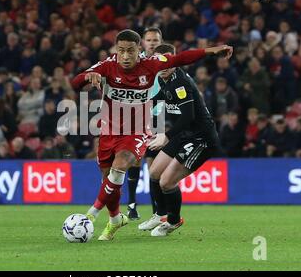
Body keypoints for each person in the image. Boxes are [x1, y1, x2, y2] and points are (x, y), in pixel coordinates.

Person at [70, 29, 232, 240]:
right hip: (110, 131)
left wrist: (212, 51)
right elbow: (75, 83)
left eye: (130, 51)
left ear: (140, 50)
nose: (126, 56)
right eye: (121, 51)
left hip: (154, 133)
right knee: (127, 177)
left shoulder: (158, 68)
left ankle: (91, 216)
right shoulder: (108, 66)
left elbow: (182, 59)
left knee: (133, 173)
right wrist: (86, 76)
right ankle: (121, 218)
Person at [140, 43, 221, 236]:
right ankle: (160, 215)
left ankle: (173, 221)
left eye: (170, 60)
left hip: (201, 139)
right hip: (184, 135)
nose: (166, 64)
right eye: (162, 61)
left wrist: (165, 136)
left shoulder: (180, 82)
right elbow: (156, 100)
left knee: (166, 182)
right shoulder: (164, 80)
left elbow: (188, 117)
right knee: (154, 173)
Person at [127, 27, 163, 220]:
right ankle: (131, 205)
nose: (152, 43)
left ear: (160, 41)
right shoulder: (135, 62)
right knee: (135, 160)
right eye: (148, 40)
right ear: (142, 43)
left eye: (155, 40)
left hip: (159, 117)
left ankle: (156, 211)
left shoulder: (165, 62)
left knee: (153, 165)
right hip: (138, 115)